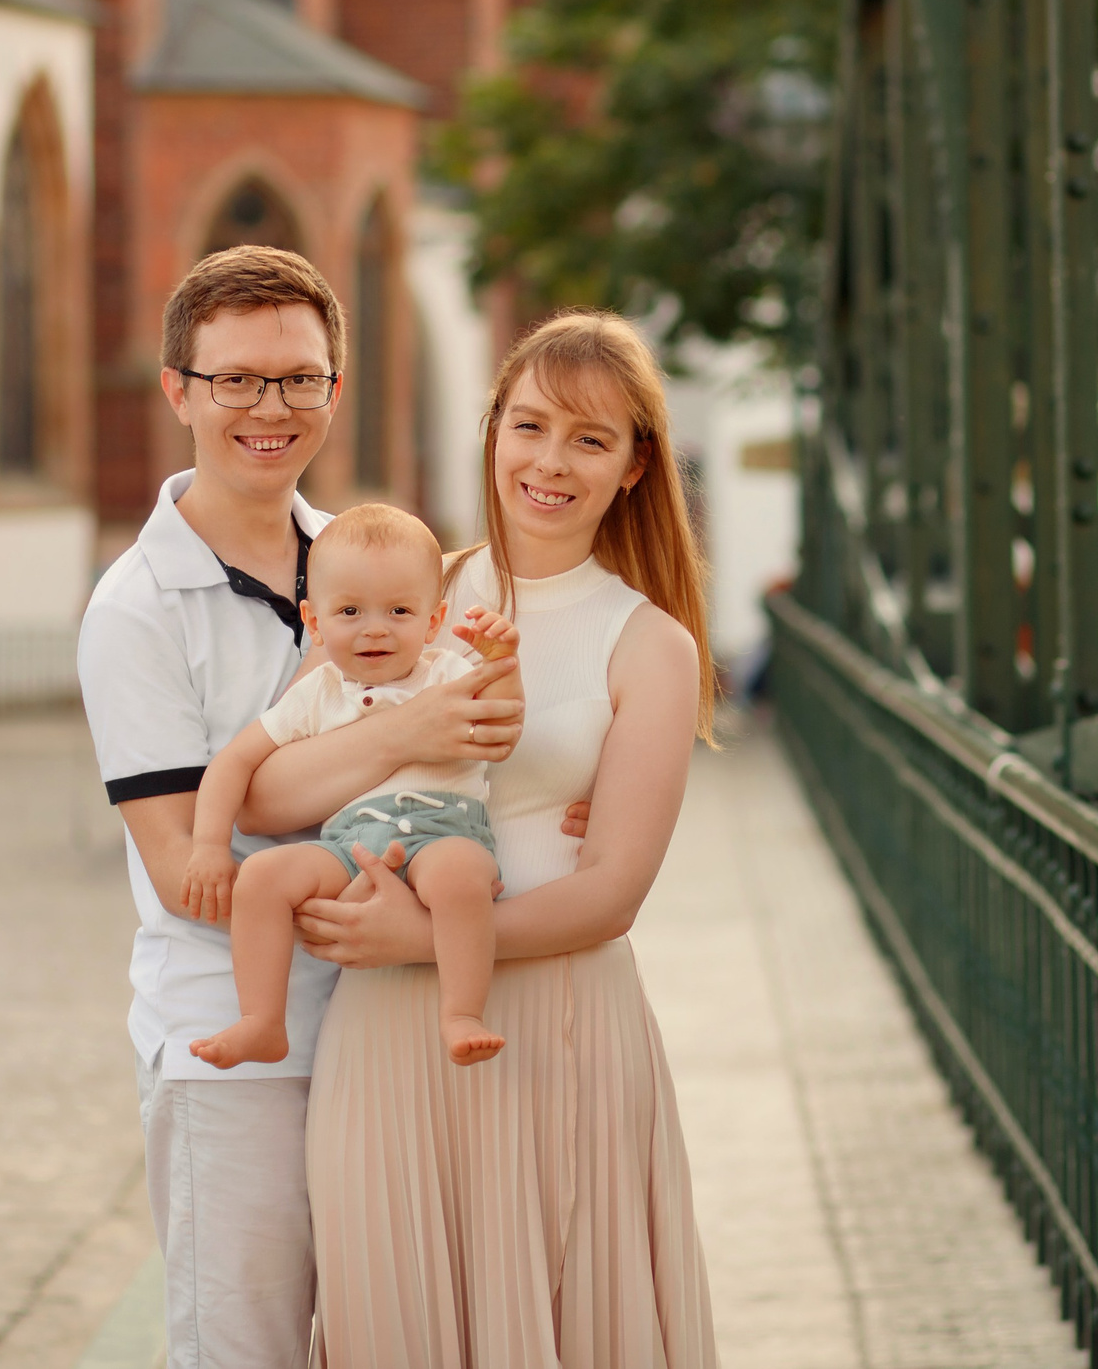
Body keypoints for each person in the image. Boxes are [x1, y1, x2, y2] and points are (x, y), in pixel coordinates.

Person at [74, 246, 528, 1369]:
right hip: (238, 1053)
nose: (269, 408)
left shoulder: (378, 565)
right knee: (249, 1352)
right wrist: (405, 741)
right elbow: (193, 867)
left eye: (297, 378)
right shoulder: (136, 609)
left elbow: (484, 758)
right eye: (235, 379)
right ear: (177, 390)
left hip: (390, 1025)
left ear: (335, 388)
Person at [241, 309, 721, 1367]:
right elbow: (264, 794)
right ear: (492, 427)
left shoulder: (649, 643)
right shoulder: (404, 594)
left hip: (559, 1026)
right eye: (530, 425)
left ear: (635, 466)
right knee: (390, 1316)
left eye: (590, 439)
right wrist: (405, 732)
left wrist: (420, 940)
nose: (549, 462)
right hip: (383, 1027)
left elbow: (613, 893)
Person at [183, 502, 522, 1071]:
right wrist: (209, 846)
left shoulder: (444, 672)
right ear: (314, 622)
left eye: (399, 610)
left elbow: (502, 725)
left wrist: (503, 662)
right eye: (349, 611)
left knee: (460, 878)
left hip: (444, 830)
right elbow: (233, 763)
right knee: (261, 876)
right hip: (349, 844)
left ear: (433, 620)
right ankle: (262, 1020)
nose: (375, 627)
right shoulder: (317, 692)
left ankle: (462, 1012)